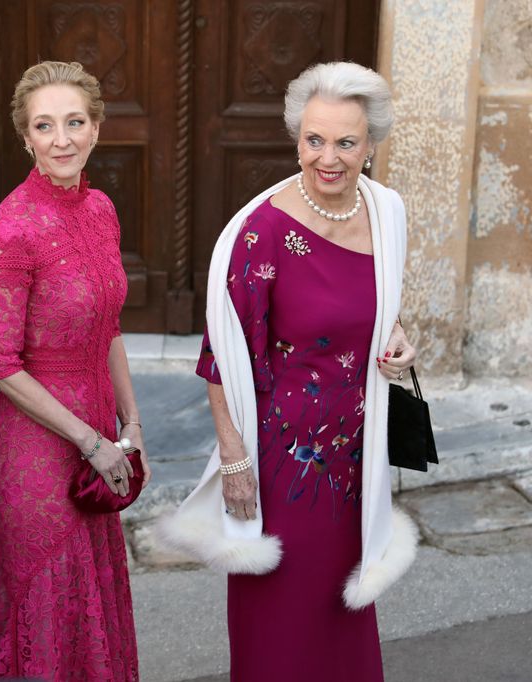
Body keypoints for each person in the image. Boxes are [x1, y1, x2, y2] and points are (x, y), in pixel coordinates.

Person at [162, 62, 420, 681]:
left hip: (357, 460)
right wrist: (233, 460)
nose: (327, 157)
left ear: (371, 145)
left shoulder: (386, 212)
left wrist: (400, 341)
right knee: (279, 629)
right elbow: (219, 357)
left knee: (342, 621)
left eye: (345, 142)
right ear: (296, 137)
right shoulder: (261, 234)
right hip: (285, 467)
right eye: (313, 139)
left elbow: (382, 311)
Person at [0, 61, 148, 681]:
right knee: (50, 595)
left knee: (91, 595)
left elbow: (110, 328)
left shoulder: (100, 209)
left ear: (96, 129)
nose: (62, 138)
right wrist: (90, 441)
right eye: (46, 126)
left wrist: (131, 422)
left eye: (75, 122)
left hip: (99, 427)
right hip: (36, 447)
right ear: (26, 138)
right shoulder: (11, 229)